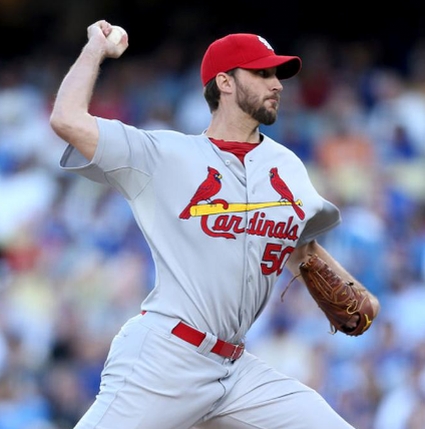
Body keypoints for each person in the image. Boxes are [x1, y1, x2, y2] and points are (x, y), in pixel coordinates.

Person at [50, 20, 380, 429]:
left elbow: (300, 248)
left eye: (276, 74)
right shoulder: (163, 155)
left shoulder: (287, 165)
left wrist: (355, 291)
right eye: (262, 73)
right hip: (165, 360)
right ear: (224, 82)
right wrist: (95, 48)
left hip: (236, 371)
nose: (276, 84)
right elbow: (67, 119)